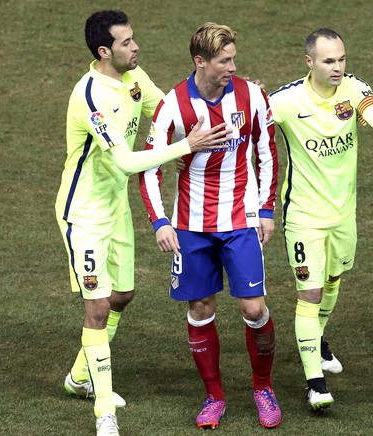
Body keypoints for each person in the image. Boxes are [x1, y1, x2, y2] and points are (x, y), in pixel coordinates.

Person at [55, 10, 229, 436]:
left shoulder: (134, 78)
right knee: (96, 306)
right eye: (126, 43)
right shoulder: (91, 96)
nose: (136, 48)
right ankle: (103, 412)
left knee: (123, 295)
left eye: (134, 39)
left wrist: (231, 95)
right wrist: (186, 146)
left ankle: (79, 377)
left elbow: (173, 109)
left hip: (114, 207)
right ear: (104, 51)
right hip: (84, 213)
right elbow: (127, 161)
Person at [138, 22, 281, 430]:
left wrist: (266, 208)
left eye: (233, 58)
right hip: (190, 225)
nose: (232, 67)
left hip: (241, 221)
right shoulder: (173, 105)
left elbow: (266, 152)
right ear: (200, 61)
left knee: (254, 308)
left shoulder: (251, 95)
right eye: (224, 61)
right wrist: (160, 221)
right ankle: (214, 396)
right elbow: (149, 166)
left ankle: (263, 388)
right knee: (200, 308)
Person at [268, 28, 373, 410]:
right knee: (310, 292)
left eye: (341, 59)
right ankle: (314, 383)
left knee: (334, 280)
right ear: (310, 62)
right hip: (304, 214)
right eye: (328, 61)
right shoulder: (287, 101)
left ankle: (317, 340)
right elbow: (251, 125)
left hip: (344, 214)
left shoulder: (353, 90)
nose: (337, 68)